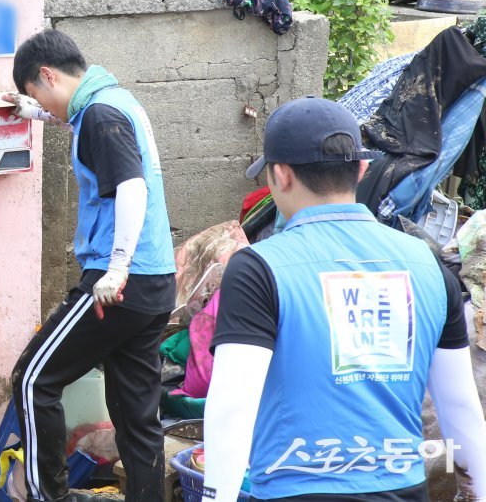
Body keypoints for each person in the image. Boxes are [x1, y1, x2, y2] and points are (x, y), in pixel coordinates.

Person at [203, 97, 486, 502]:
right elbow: (460, 407)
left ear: (280, 175)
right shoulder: (427, 265)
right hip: (402, 489)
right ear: (362, 168)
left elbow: (232, 407)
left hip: (296, 489)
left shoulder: (258, 268)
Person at [4, 29, 176, 502]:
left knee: (34, 379)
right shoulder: (110, 102)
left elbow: (131, 187)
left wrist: (116, 268)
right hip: (155, 281)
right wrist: (34, 113)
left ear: (46, 74)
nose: (42, 103)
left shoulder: (100, 115)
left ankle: (47, 496)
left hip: (118, 282)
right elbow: (75, 122)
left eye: (35, 93)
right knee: (137, 417)